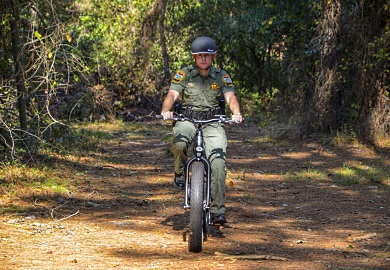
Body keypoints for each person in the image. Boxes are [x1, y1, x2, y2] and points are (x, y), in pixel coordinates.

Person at [161, 36, 243, 226]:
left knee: (218, 162)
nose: (203, 59)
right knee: (180, 142)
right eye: (199, 56)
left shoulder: (221, 76)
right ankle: (180, 172)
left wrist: (236, 113)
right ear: (194, 57)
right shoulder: (185, 74)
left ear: (213, 57)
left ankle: (218, 211)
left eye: (207, 56)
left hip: (213, 121)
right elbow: (172, 94)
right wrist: (166, 111)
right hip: (188, 119)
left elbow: (230, 96)